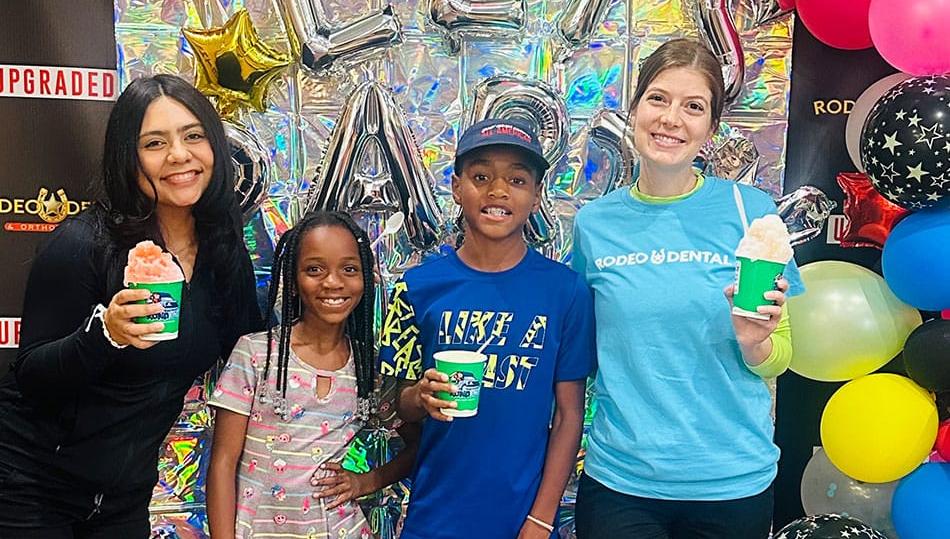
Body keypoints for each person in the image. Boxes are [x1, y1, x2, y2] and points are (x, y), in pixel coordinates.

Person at [0, 74, 262, 538]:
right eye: (155, 143)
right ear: (129, 157)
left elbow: (248, 347)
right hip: (29, 485)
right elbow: (33, 379)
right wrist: (106, 335)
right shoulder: (84, 243)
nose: (179, 155)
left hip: (123, 496)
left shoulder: (224, 246)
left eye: (194, 135)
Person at [571, 37, 805, 539]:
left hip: (731, 482)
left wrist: (754, 341)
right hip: (622, 482)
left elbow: (781, 354)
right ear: (634, 109)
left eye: (693, 106)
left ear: (711, 128)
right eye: (658, 99)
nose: (671, 119)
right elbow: (586, 349)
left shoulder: (751, 212)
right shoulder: (595, 224)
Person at [378, 118, 596, 539]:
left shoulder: (564, 291)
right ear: (457, 188)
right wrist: (419, 397)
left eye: (516, 179)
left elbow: (570, 415)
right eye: (481, 177)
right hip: (434, 518)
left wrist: (541, 518)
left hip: (521, 520)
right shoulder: (417, 287)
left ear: (535, 198)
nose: (498, 191)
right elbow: (393, 406)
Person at [207, 210, 420, 539]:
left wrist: (365, 481)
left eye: (349, 269)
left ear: (366, 280)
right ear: (292, 281)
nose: (333, 282)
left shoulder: (368, 369)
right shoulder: (256, 354)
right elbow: (222, 463)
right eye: (314, 269)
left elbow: (418, 445)